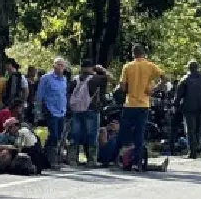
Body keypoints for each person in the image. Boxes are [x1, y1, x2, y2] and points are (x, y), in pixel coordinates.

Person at [118, 44, 163, 172]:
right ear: (144, 54)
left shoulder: (127, 66)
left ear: (133, 54)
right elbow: (165, 79)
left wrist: (127, 90)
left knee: (125, 132)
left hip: (129, 104)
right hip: (143, 105)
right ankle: (137, 163)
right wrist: (153, 89)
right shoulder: (150, 66)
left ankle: (122, 159)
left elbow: (122, 86)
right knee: (139, 133)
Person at [68, 60, 108, 165]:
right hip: (92, 110)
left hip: (76, 110)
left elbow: (68, 93)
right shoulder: (96, 79)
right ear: (91, 67)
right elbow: (111, 78)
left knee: (75, 135)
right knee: (92, 135)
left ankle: (72, 159)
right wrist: (102, 69)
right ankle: (91, 160)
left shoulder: (74, 79)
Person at [36, 58, 70, 168]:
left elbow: (64, 95)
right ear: (54, 66)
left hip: (61, 111)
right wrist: (39, 110)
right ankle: (52, 160)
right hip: (50, 110)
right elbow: (40, 96)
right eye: (58, 65)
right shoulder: (46, 78)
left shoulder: (64, 80)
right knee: (54, 135)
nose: (60, 67)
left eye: (62, 65)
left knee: (58, 136)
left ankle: (45, 156)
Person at [175, 61, 201, 158]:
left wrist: (176, 105)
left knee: (190, 130)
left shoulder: (185, 79)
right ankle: (199, 149)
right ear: (197, 67)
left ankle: (192, 152)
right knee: (198, 130)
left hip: (189, 108)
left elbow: (179, 94)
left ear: (189, 68)